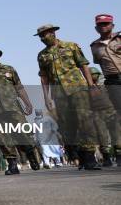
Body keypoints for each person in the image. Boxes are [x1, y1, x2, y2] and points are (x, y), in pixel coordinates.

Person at [36, 24, 100, 170]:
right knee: (68, 126)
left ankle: (90, 157)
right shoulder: (42, 55)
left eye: (44, 35)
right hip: (59, 94)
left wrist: (91, 85)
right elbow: (44, 78)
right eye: (40, 36)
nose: (42, 38)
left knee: (85, 121)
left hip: (78, 89)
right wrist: (46, 97)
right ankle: (80, 157)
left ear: (52, 33)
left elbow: (83, 65)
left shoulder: (71, 46)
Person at [0, 47, 39, 175]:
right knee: (3, 138)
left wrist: (27, 103)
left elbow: (19, 87)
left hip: (13, 107)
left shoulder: (9, 69)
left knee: (22, 133)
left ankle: (30, 154)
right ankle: (12, 165)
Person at [88, 67, 120, 167]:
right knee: (102, 136)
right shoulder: (86, 88)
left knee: (116, 133)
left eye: (94, 74)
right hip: (97, 114)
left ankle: (119, 156)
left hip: (111, 111)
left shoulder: (105, 84)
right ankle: (106, 158)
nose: (93, 77)